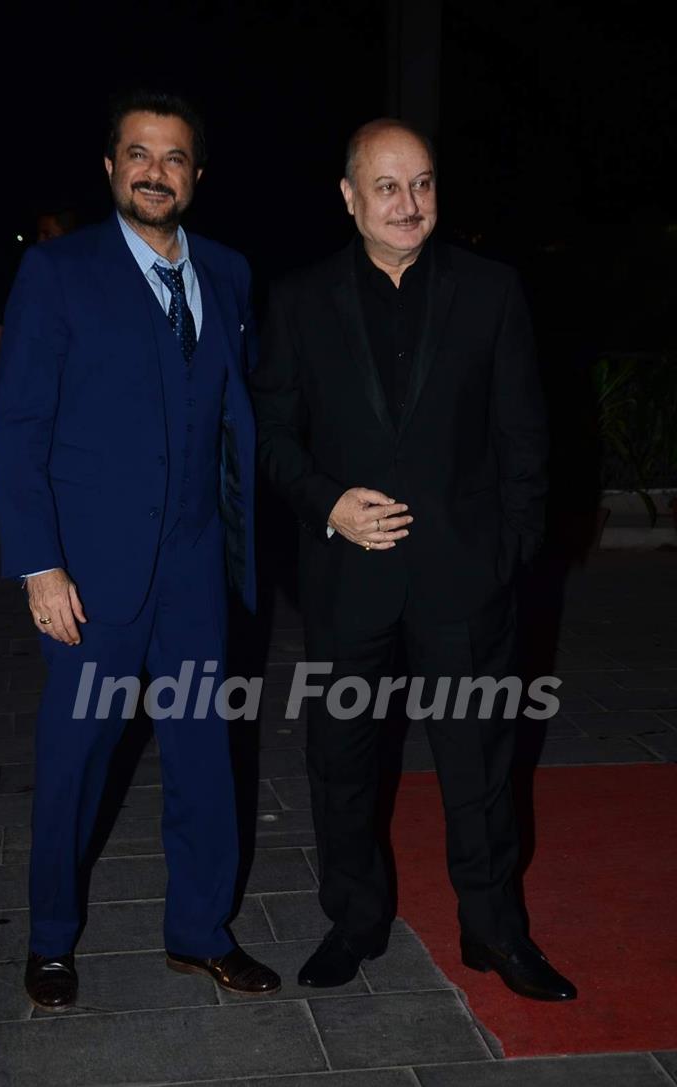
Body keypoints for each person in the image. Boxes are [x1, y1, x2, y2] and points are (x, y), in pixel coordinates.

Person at [251, 118, 576, 1001]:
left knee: (479, 766)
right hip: (347, 578)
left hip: (465, 582)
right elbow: (270, 433)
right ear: (351, 198)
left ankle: (494, 931)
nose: (409, 203)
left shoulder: (492, 290)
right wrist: (328, 503)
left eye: (423, 184)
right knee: (341, 764)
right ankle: (354, 923)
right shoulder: (300, 298)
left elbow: (524, 440)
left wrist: (505, 555)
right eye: (388, 187)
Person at [0, 89, 280, 1010]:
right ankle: (48, 940)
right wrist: (39, 564)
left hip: (198, 569)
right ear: (111, 167)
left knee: (205, 756)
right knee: (76, 762)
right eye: (138, 155)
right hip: (88, 575)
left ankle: (200, 932)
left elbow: (238, 419)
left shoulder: (230, 273)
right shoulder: (59, 273)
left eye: (175, 157)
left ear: (196, 175)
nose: (157, 172)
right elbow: (20, 426)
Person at [0, 206, 77, 385]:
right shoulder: (34, 282)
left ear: (71, 238)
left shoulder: (84, 286)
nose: (39, 242)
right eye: (39, 234)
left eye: (48, 235)